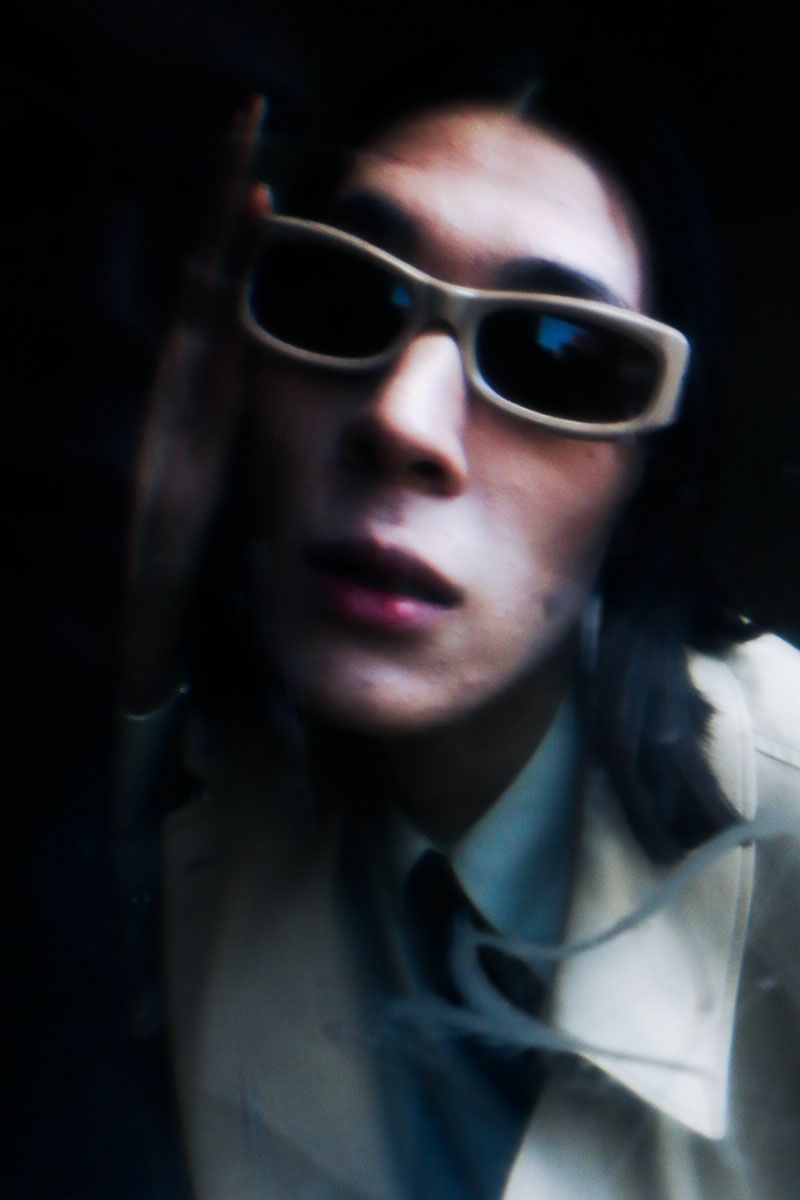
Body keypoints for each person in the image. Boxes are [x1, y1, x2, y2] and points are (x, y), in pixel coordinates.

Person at [122, 62, 800, 1200]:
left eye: (555, 357)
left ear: (655, 472)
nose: (403, 419)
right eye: (344, 301)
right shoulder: (186, 796)